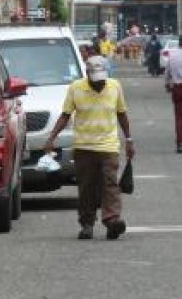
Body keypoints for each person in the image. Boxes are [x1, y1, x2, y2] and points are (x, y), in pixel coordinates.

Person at [43, 55, 134, 241]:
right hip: (84, 147)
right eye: (96, 82)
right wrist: (51, 138)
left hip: (108, 146)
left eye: (102, 81)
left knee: (110, 183)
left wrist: (129, 139)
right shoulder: (76, 88)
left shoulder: (114, 86)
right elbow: (65, 115)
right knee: (86, 187)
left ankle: (112, 220)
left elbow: (121, 113)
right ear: (87, 74)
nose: (99, 85)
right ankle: (87, 223)